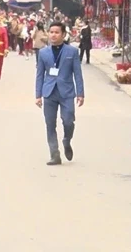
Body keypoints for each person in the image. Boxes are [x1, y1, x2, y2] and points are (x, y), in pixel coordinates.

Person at [35, 21, 85, 166]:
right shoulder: (43, 53)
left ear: (63, 34)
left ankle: (67, 140)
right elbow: (39, 75)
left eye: (57, 32)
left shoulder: (72, 52)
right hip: (49, 92)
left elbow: (78, 73)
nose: (53, 35)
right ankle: (54, 154)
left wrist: (80, 93)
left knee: (68, 120)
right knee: (50, 124)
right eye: (51, 32)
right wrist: (38, 95)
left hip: (67, 92)